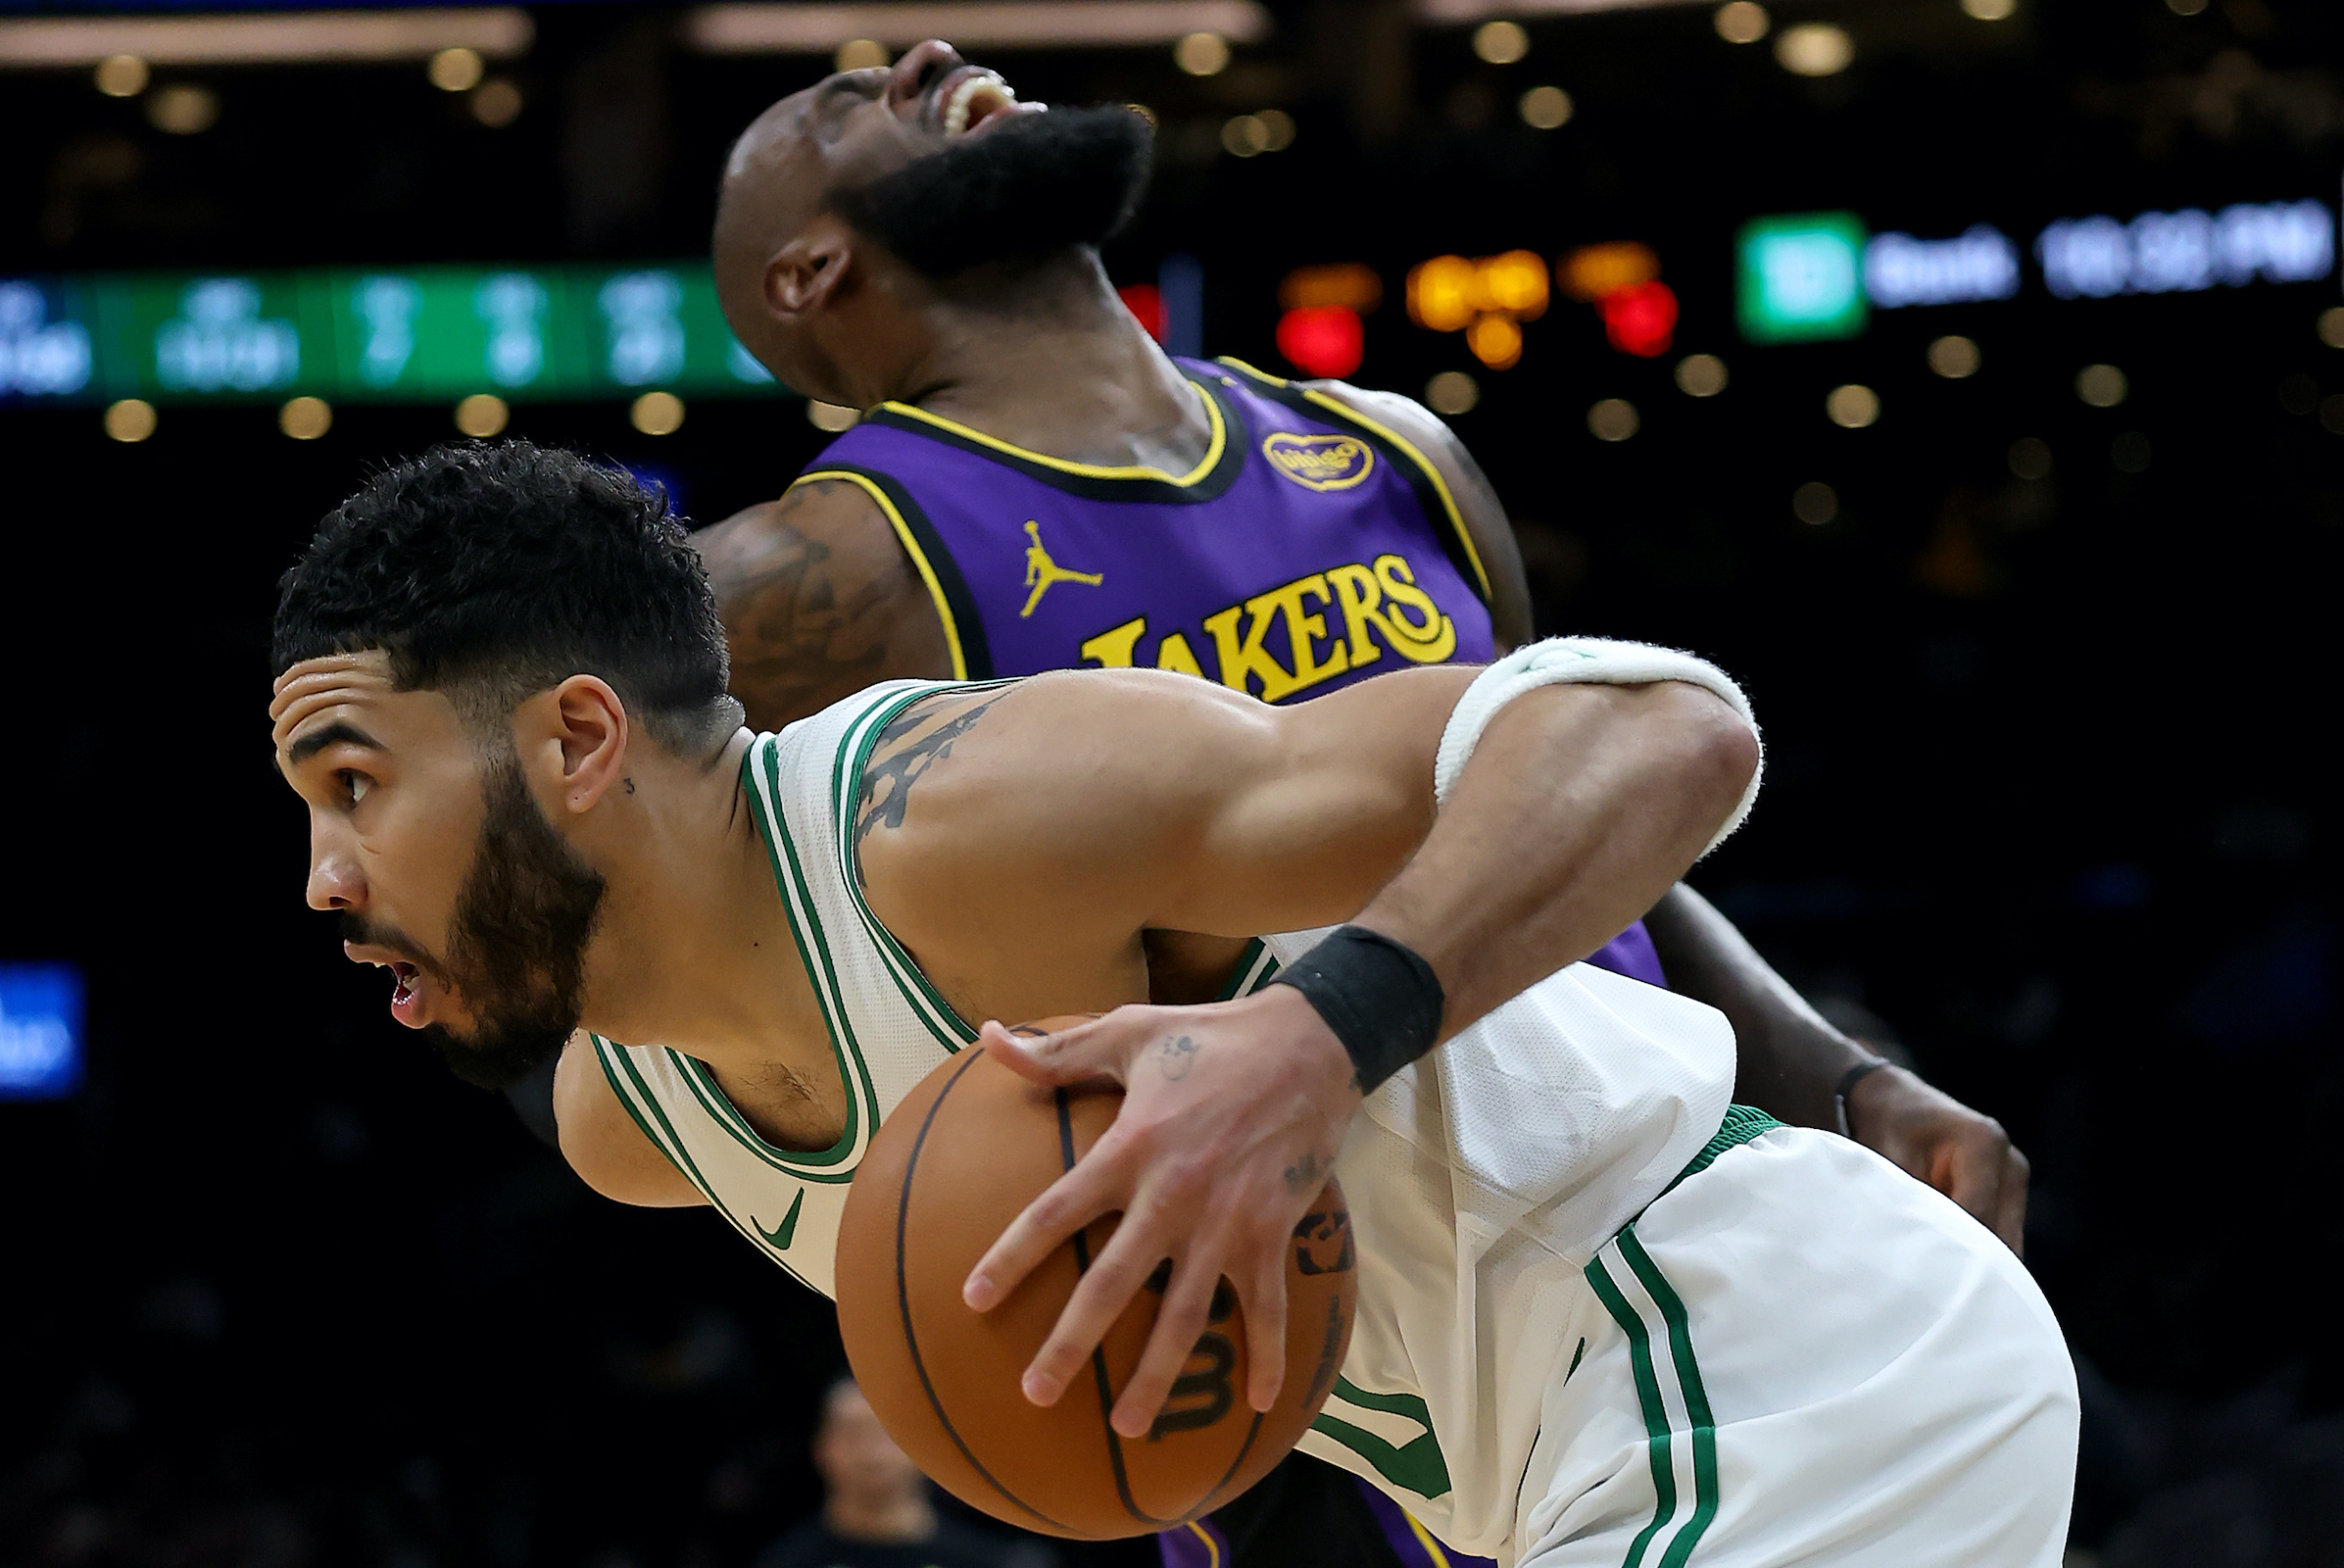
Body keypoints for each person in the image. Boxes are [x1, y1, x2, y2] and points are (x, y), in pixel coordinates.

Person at [266, 441, 2078, 1565]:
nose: (324, 880)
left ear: (579, 739)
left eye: (357, 785)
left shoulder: (963, 818)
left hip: (1764, 1359)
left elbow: (1660, 724)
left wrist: (1312, 1044)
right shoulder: (634, 1128)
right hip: (1555, 1486)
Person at [693, 45, 2028, 1568]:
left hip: (1706, 1231)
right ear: (811, 271)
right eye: (844, 101)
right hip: (1373, 1399)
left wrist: (1842, 1077)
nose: (928, 57)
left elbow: (1565, 831)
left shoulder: (1388, 444)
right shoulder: (821, 585)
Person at [757, 1379, 1012, 1568]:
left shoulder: (985, 1560)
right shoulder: (785, 1560)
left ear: (923, 1449)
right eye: (853, 1435)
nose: (872, 1454)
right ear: (821, 1449)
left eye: (888, 1435)